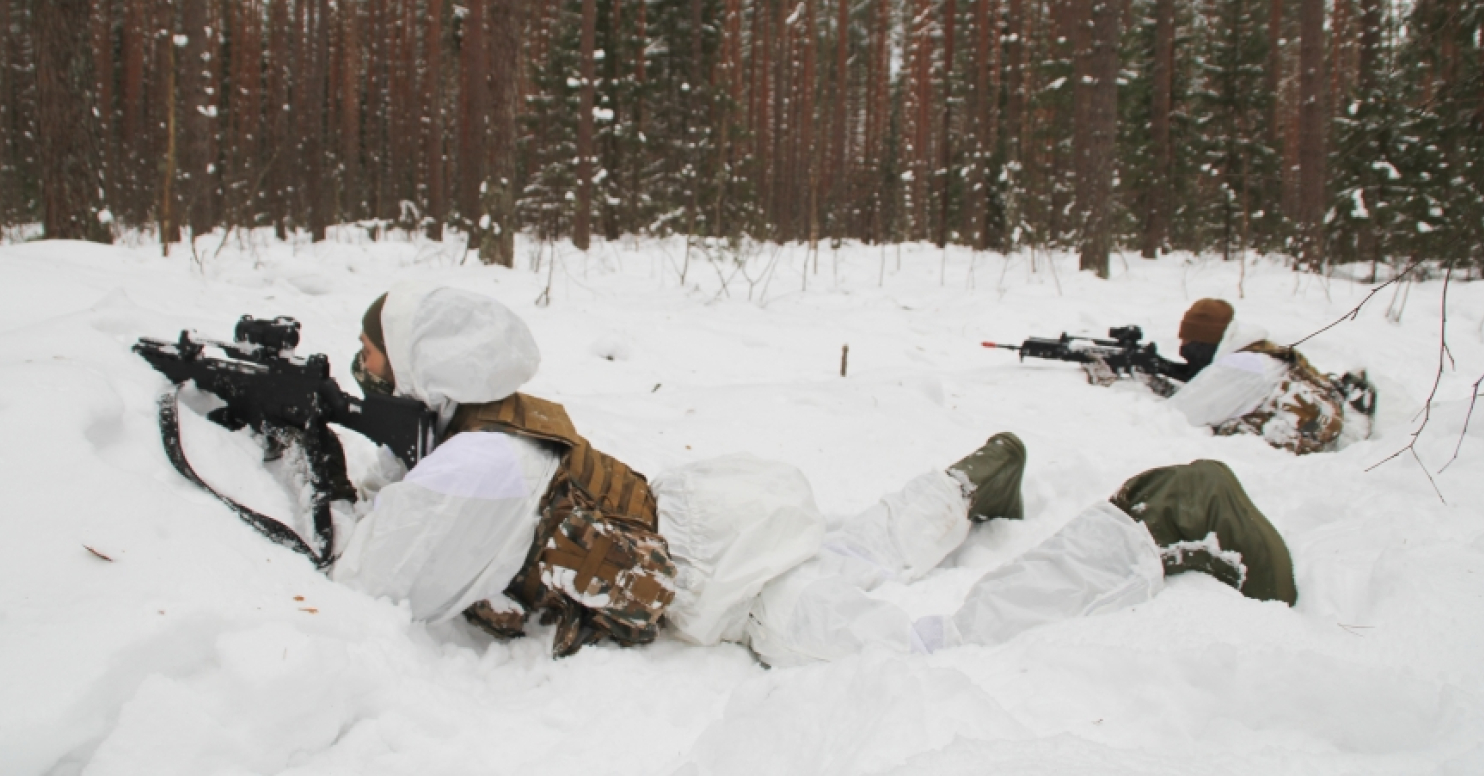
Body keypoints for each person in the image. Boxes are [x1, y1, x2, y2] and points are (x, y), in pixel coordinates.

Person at [331, 283, 1297, 665]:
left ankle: (1163, 517)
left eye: (374, 353)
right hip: (720, 515)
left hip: (733, 580)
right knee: (850, 545)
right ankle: (973, 484)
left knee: (924, 645)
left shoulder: (485, 462)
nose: (363, 367)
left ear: (423, 363)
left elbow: (380, 581)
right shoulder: (490, 426)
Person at [1159, 299, 1375, 455]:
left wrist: (1154, 376)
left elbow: (1181, 415)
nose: (1183, 351)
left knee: (1224, 432)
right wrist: (1164, 367)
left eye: (1188, 344)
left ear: (1205, 342)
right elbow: (1206, 381)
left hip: (1302, 442)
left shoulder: (1241, 367)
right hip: (1321, 413)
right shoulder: (1254, 350)